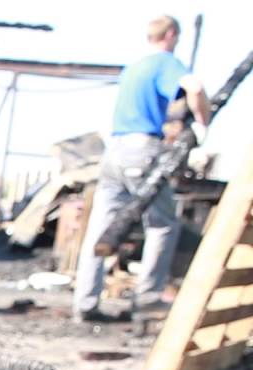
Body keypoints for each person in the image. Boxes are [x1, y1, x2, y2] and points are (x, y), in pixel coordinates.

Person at [71, 15, 212, 323]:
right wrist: (203, 123)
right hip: (143, 151)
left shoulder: (133, 68)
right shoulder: (165, 62)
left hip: (115, 151)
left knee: (103, 229)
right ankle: (148, 297)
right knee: (162, 224)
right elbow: (195, 87)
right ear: (172, 34)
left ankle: (85, 302)